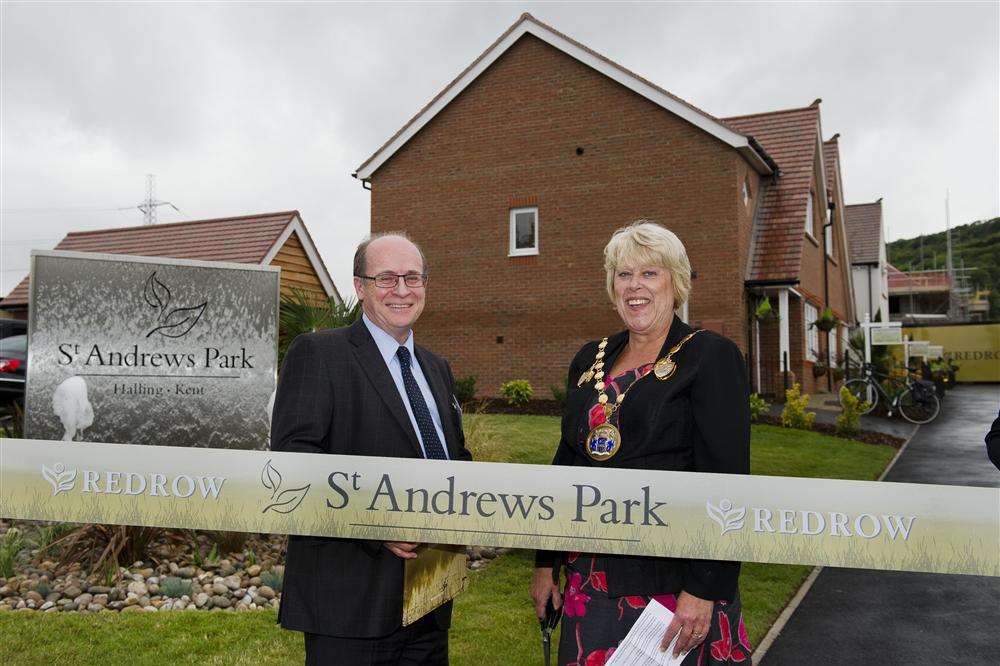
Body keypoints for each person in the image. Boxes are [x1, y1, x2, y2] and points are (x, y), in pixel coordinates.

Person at [531, 220, 752, 665]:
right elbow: (567, 464)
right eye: (624, 274)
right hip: (588, 583)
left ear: (676, 281)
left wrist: (703, 589)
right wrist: (544, 563)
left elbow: (726, 484)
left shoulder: (709, 356)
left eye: (650, 273)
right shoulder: (590, 358)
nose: (636, 286)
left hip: (671, 588)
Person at [271, 232, 471, 665]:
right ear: (360, 287)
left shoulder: (436, 368)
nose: (401, 290)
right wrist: (377, 522)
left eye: (412, 277)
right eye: (386, 278)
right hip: (350, 603)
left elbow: (455, 461)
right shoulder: (319, 354)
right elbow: (295, 462)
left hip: (429, 598)